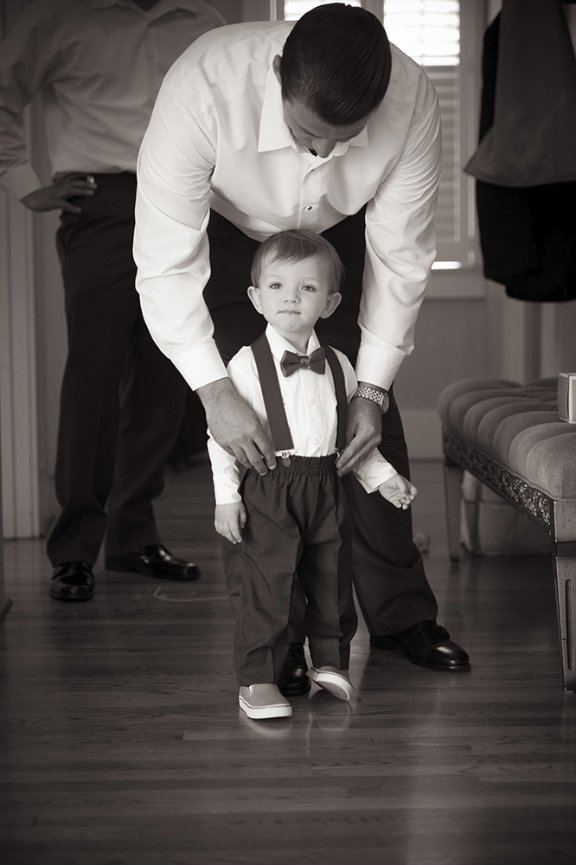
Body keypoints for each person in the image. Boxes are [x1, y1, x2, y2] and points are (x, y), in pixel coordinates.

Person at [134, 3, 471, 687]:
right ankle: (281, 636)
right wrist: (214, 389)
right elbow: (165, 264)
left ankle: (403, 614)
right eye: (308, 134)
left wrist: (371, 388)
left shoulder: (409, 101)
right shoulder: (203, 87)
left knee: (366, 423)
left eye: (341, 141)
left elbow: (401, 257)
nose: (320, 155)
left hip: (339, 234)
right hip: (228, 237)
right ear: (279, 75)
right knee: (260, 436)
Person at [0, 0, 226, 601]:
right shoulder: (59, 20)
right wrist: (24, 184)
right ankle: (74, 550)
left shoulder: (204, 24)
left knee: (165, 378)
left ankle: (133, 538)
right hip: (99, 206)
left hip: (187, 207)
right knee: (93, 380)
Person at [208, 230, 417, 720]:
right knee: (268, 583)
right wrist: (226, 498)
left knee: (331, 573)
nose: (291, 298)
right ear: (256, 299)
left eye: (306, 288)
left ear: (330, 302)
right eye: (277, 287)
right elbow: (221, 437)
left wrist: (382, 476)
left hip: (326, 483)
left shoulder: (342, 365)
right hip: (268, 485)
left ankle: (329, 661)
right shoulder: (242, 365)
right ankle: (258, 679)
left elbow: (352, 436)